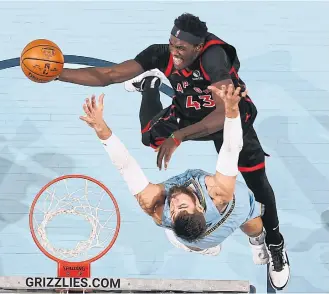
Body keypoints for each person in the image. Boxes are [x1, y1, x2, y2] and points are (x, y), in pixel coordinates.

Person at [56, 13, 289, 290]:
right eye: (172, 44)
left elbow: (223, 114)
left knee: (257, 185)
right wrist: (58, 75)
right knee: (150, 138)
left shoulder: (213, 58)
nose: (174, 52)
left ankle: (275, 244)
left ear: (198, 47)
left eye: (181, 48)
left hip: (227, 118)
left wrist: (178, 137)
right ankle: (148, 87)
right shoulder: (161, 54)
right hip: (188, 112)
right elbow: (108, 75)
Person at [79, 85, 271, 270]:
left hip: (212, 220)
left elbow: (126, 166)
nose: (174, 201)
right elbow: (230, 149)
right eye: (182, 206)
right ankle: (254, 241)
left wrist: (100, 128)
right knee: (252, 220)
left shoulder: (156, 208)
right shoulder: (218, 192)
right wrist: (231, 111)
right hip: (236, 205)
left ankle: (229, 244)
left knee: (189, 235)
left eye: (172, 211)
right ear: (198, 206)